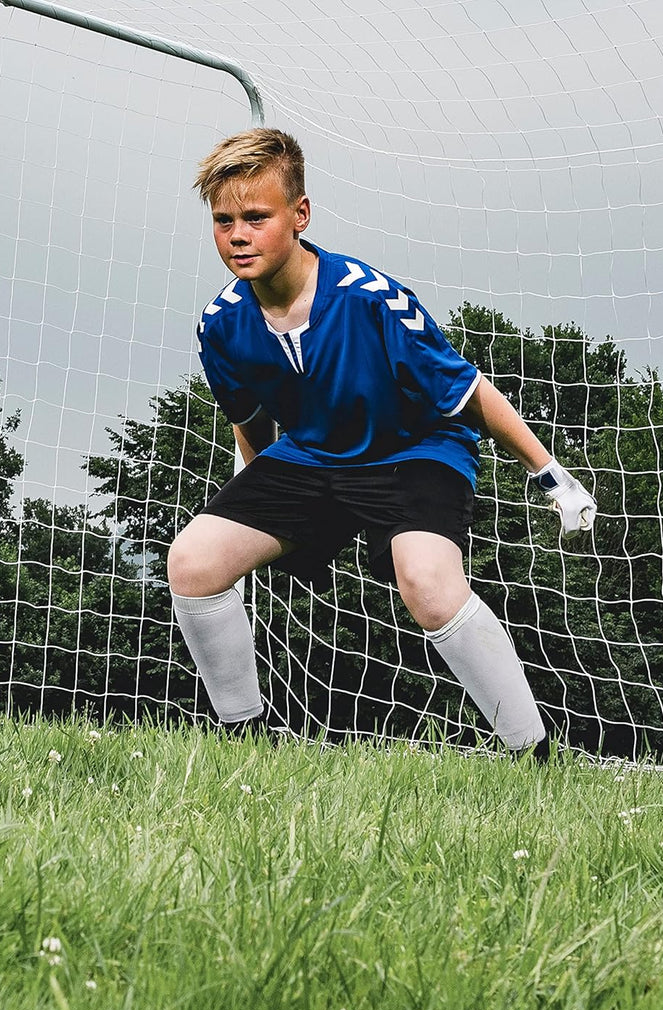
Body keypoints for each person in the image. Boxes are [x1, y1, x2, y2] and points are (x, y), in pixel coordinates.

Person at [167, 128, 596, 754]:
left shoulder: (371, 299)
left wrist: (551, 477)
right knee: (194, 562)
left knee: (428, 587)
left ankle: (533, 753)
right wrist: (256, 490)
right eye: (223, 219)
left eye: (257, 217)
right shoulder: (221, 322)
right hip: (312, 457)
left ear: (300, 215)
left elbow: (471, 393)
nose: (238, 234)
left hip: (414, 452)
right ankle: (245, 742)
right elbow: (249, 415)